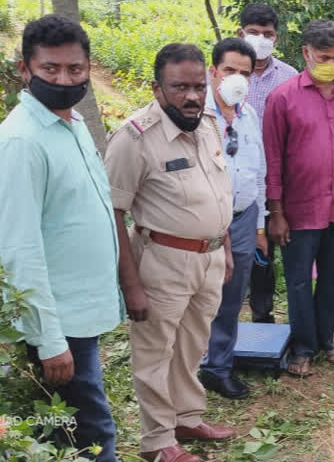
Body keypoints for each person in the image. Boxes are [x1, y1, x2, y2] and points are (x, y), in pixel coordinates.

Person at [0, 14, 122, 461]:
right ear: (25, 70)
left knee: (70, 431)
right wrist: (49, 340)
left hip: (79, 311)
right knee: (91, 433)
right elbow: (21, 250)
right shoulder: (20, 143)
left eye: (75, 70)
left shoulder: (72, 124)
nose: (64, 79)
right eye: (50, 69)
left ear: (87, 68)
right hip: (59, 321)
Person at [104, 43, 236, 462]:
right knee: (155, 352)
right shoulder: (134, 138)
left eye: (199, 86)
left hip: (210, 256)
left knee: (193, 343)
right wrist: (131, 285)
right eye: (180, 87)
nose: (192, 96)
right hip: (162, 260)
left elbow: (219, 193)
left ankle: (187, 417)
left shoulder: (210, 124)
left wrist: (225, 249)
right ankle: (158, 442)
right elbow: (113, 212)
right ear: (158, 88)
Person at [263, 19, 334, 377]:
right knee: (298, 279)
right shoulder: (283, 97)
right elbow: (273, 158)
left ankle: (326, 342)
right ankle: (303, 346)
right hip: (298, 209)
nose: (331, 63)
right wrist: (276, 211)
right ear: (306, 54)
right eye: (324, 56)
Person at [199, 38, 265, 400]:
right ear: (214, 72)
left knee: (232, 294)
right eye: (229, 70)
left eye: (244, 72)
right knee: (199, 294)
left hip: (243, 218)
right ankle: (188, 363)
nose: (237, 79)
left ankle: (218, 367)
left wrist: (260, 222)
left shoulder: (250, 115)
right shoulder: (196, 114)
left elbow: (260, 171)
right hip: (204, 221)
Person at [237, 3, 298, 324]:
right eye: (254, 33)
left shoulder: (290, 78)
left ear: (277, 38)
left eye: (268, 34)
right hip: (232, 185)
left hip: (276, 185)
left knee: (266, 256)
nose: (261, 39)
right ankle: (220, 325)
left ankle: (263, 319)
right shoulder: (224, 76)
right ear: (240, 33)